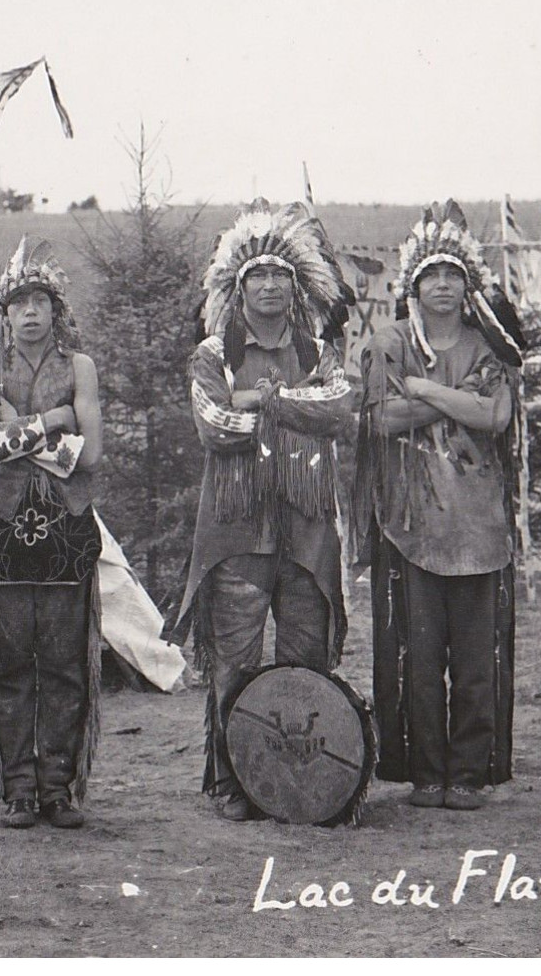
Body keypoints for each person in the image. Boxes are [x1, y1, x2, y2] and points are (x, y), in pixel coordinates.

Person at [167, 200, 354, 821]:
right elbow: (215, 424)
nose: (269, 285)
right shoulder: (213, 353)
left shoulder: (317, 347)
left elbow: (338, 406)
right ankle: (233, 781)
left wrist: (265, 401)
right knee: (235, 660)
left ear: (296, 286)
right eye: (257, 277)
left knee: (307, 654)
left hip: (306, 528)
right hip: (236, 530)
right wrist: (283, 403)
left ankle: (307, 777)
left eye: (279, 275)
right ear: (237, 287)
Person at [354, 201, 524, 812]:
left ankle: (469, 775)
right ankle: (426, 772)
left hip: (480, 522)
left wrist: (423, 389)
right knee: (419, 653)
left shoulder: (486, 345)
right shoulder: (389, 342)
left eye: (453, 275)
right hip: (410, 523)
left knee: (476, 656)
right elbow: (381, 419)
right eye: (432, 276)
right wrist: (456, 398)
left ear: (467, 283)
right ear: (414, 285)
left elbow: (496, 415)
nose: (444, 286)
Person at [0, 238, 104, 830]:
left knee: (66, 660)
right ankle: (18, 787)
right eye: (18, 303)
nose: (29, 313)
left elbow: (91, 455)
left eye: (39, 301)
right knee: (9, 660)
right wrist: (52, 422)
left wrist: (10, 438)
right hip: (0, 526)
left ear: (56, 310)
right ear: (5, 313)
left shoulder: (81, 368)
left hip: (65, 525)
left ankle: (58, 787)